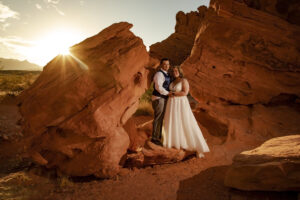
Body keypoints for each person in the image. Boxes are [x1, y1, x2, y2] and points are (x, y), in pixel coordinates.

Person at [163, 66, 210, 158]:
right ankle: (175, 142)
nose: (175, 72)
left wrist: (173, 94)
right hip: (171, 104)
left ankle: (194, 144)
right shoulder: (172, 82)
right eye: (173, 71)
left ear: (180, 72)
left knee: (185, 122)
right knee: (173, 122)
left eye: (176, 71)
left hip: (180, 103)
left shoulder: (184, 81)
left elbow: (185, 92)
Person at [151, 58, 171, 146]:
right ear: (161, 65)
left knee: (160, 118)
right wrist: (168, 93)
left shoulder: (166, 74)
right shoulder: (159, 74)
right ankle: (154, 138)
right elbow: (158, 87)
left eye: (168, 64)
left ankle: (158, 137)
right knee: (158, 118)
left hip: (163, 98)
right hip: (158, 98)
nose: (166, 66)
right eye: (165, 64)